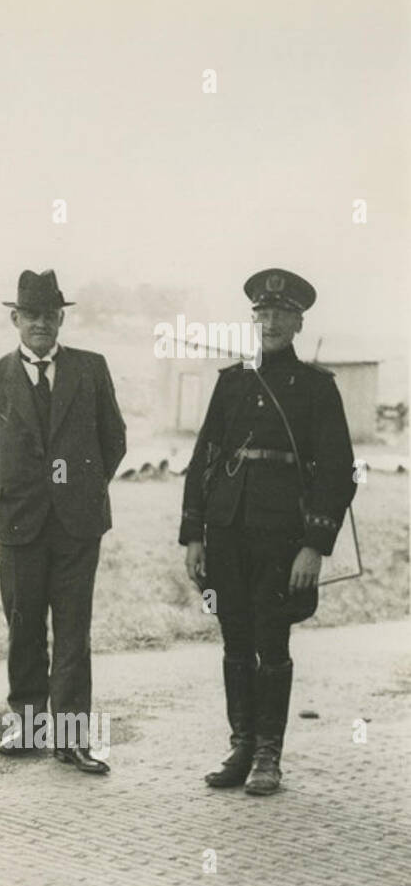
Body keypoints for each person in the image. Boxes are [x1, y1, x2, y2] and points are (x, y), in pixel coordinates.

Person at [180, 269, 356, 796]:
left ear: (299, 323)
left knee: (271, 641)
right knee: (234, 637)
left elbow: (337, 472)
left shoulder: (317, 388)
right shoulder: (231, 381)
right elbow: (204, 458)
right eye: (264, 313)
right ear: (253, 319)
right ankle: (240, 745)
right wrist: (194, 534)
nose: (272, 321)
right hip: (227, 529)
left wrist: (315, 545)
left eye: (283, 314)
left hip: (282, 536)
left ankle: (268, 755)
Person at [0, 269, 127, 773]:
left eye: (50, 315)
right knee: (24, 624)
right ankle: (29, 725)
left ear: (61, 319)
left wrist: (80, 488)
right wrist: (13, 492)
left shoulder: (91, 369)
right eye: (31, 315)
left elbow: (113, 440)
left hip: (79, 524)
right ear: (15, 318)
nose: (41, 324)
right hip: (18, 523)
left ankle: (72, 737)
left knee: (74, 630)